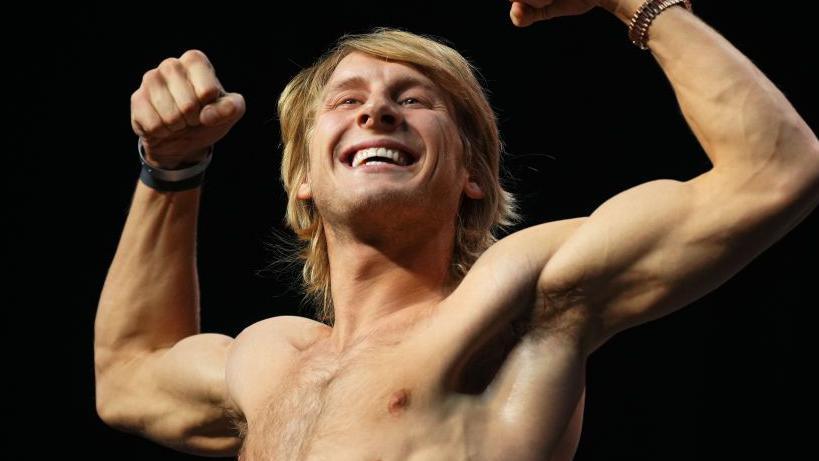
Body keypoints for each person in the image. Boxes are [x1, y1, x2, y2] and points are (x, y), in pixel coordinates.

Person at [93, 0, 819, 459]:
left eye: (413, 100)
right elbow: (126, 374)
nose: (377, 112)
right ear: (303, 178)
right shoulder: (267, 358)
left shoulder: (511, 301)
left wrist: (637, 3)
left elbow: (775, 169)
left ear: (472, 174)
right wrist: (172, 168)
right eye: (347, 100)